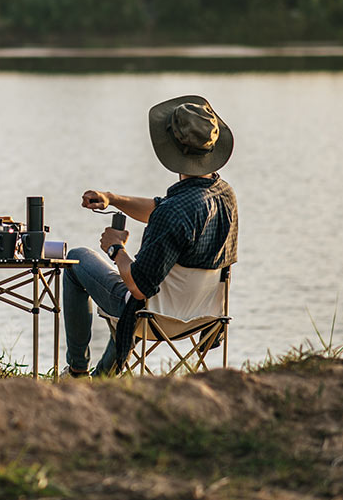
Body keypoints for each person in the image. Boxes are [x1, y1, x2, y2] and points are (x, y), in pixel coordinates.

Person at [63, 95, 239, 376]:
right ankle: (101, 379)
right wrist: (111, 198)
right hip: (203, 316)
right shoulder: (224, 195)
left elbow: (138, 286)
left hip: (154, 317)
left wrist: (116, 248)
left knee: (77, 260)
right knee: (143, 293)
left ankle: (77, 373)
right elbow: (160, 210)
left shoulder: (174, 212)